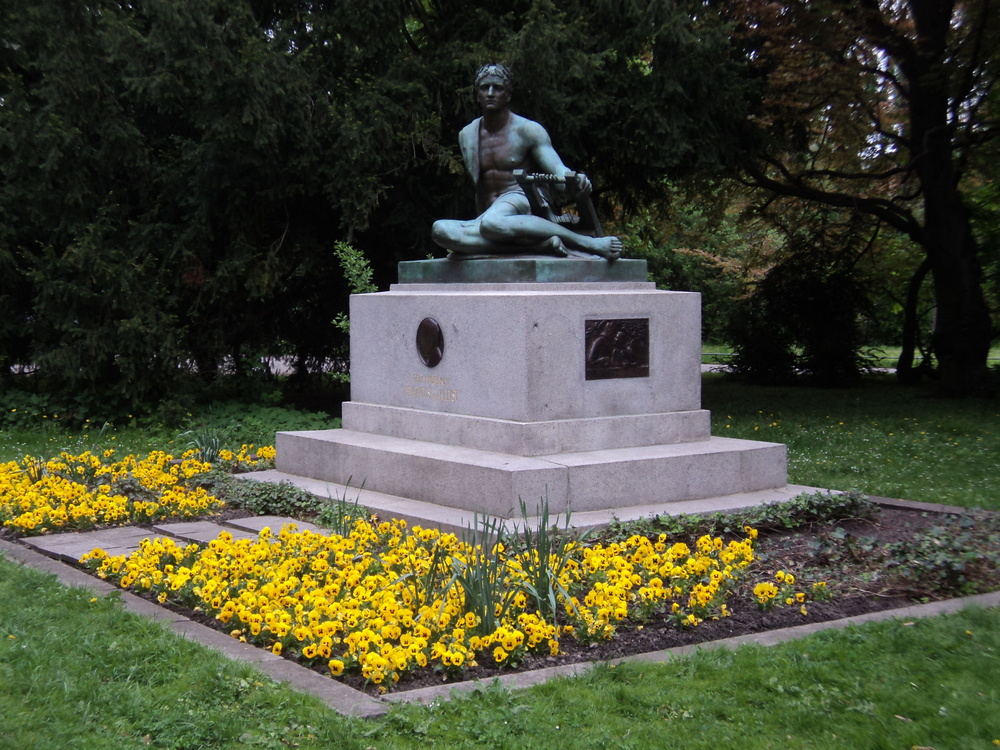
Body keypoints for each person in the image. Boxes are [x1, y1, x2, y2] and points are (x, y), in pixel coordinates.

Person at [431, 64, 622, 260]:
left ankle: (588, 243)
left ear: (508, 95)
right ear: (477, 93)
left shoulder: (528, 130)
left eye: (497, 88)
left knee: (492, 223)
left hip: (523, 200)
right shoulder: (467, 135)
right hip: (490, 217)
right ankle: (538, 246)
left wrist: (574, 179)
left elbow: (557, 168)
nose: (490, 93)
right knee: (441, 230)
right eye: (484, 88)